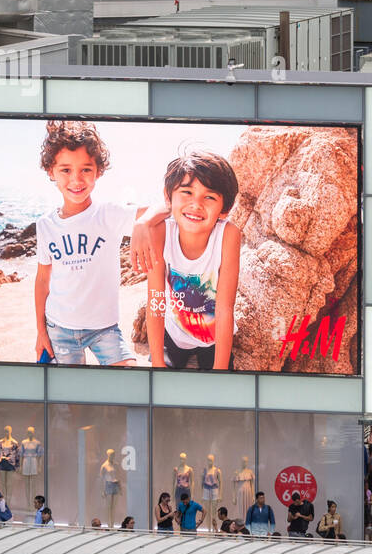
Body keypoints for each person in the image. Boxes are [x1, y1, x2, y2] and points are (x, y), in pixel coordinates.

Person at [33, 120, 165, 366]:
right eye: (65, 170)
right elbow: (42, 281)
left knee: (128, 383)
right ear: (51, 171)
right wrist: (41, 332)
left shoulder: (109, 215)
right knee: (70, 401)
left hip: (105, 329)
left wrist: (142, 223)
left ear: (98, 171)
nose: (76, 179)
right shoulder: (45, 225)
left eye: (86, 169)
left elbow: (166, 206)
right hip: (59, 328)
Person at [144, 149, 243, 371]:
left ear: (224, 209)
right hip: (174, 334)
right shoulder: (161, 233)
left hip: (214, 337)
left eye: (209, 197)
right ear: (169, 197)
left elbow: (225, 308)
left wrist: (220, 369)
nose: (196, 204)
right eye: (186, 192)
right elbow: (156, 302)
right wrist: (157, 360)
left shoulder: (228, 235)